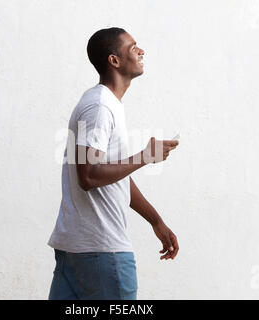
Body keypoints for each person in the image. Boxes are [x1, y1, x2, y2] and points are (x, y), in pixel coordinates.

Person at [47, 27, 179, 300]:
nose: (141, 51)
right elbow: (90, 176)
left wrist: (156, 221)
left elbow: (110, 174)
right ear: (114, 60)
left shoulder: (105, 104)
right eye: (133, 47)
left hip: (78, 251)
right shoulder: (100, 107)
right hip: (103, 253)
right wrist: (145, 157)